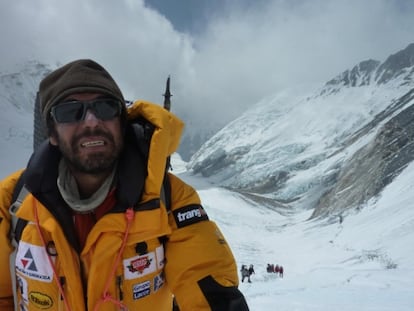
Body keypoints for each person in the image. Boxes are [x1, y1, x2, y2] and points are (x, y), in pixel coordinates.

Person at [0, 59, 249, 311]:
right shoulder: (11, 201)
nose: (91, 121)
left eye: (105, 107)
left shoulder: (169, 199)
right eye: (69, 111)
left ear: (122, 122)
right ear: (51, 133)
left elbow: (209, 288)